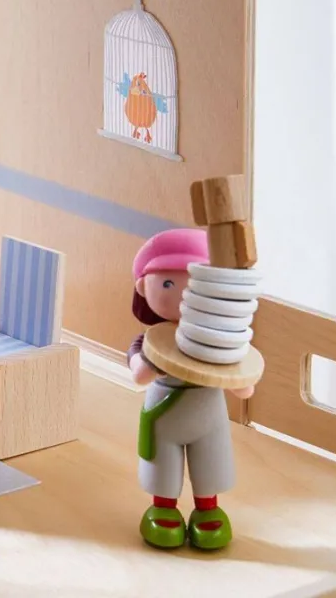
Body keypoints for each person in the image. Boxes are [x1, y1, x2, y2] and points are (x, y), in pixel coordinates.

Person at [128, 228, 254, 550]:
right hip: (164, 411)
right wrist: (154, 362)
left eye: (194, 285)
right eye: (168, 284)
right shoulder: (151, 340)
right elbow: (139, 374)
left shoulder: (219, 340)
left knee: (210, 462)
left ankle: (207, 509)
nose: (183, 294)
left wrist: (241, 379)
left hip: (208, 412)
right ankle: (163, 508)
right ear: (143, 287)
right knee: (163, 466)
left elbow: (241, 380)